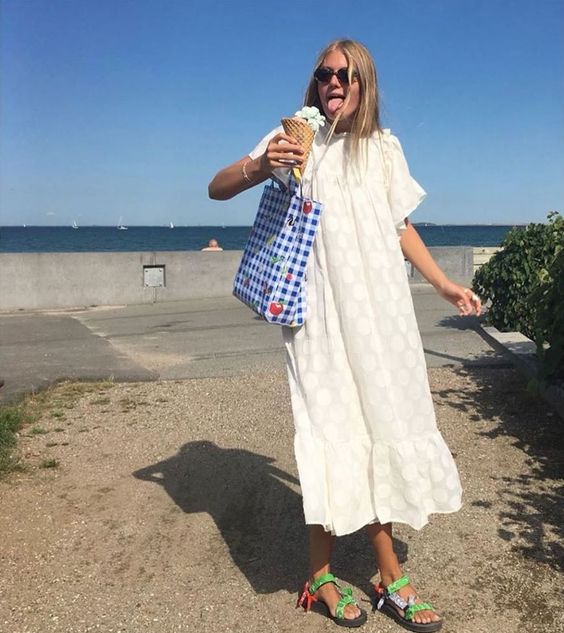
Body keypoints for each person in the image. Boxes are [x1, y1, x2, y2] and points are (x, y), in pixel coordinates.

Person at [209, 39, 481, 631]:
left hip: (383, 317)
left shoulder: (384, 150)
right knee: (331, 430)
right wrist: (263, 165)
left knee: (382, 423)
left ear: (364, 85)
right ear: (315, 84)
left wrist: (443, 285)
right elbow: (219, 186)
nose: (333, 82)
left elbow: (400, 227)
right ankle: (333, 576)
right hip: (321, 320)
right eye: (324, 74)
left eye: (345, 74)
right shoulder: (296, 139)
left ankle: (376, 575)